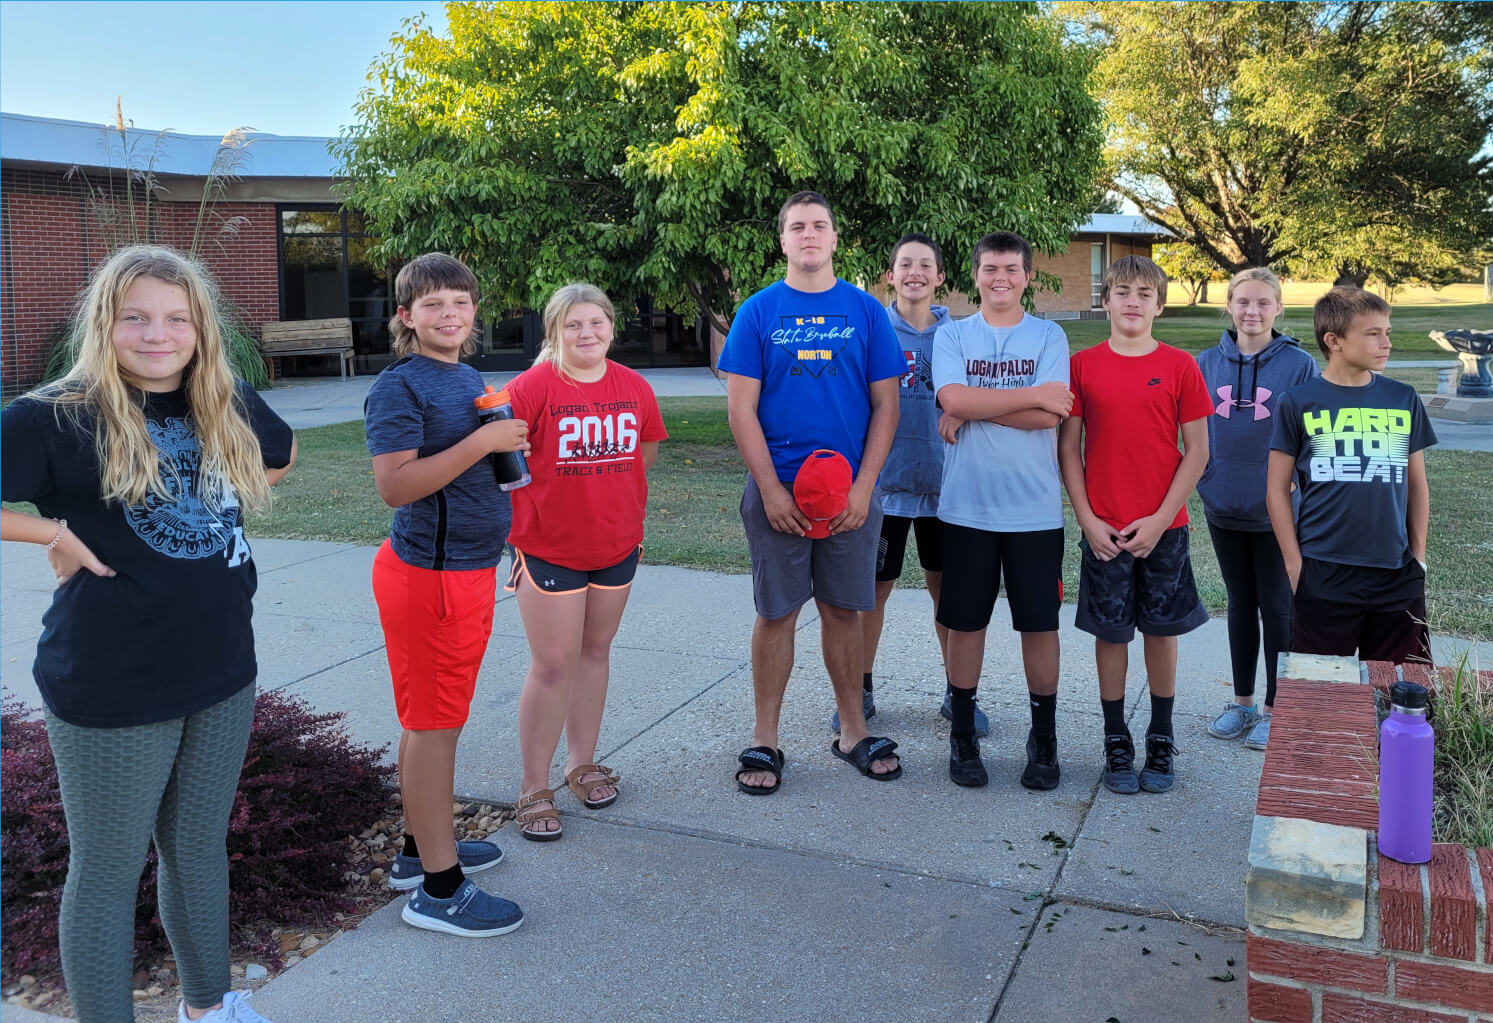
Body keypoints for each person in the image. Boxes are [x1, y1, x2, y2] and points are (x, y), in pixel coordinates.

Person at [0, 245, 296, 1022]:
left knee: (197, 847)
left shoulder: (220, 397)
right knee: (108, 868)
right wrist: (53, 535)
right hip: (114, 678)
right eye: (135, 317)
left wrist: (223, 487)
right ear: (105, 323)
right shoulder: (55, 416)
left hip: (223, 664)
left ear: (200, 327)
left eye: (176, 317)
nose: (157, 334)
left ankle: (209, 1006)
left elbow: (281, 454)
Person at [719, 190, 907, 793]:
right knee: (776, 612)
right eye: (797, 226)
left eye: (819, 225)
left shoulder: (866, 311)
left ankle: (853, 731)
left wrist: (865, 487)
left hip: (850, 495)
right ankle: (765, 737)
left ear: (833, 239)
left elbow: (887, 406)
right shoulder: (758, 312)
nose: (808, 235)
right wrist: (771, 490)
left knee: (845, 610)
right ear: (782, 240)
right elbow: (741, 410)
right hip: (778, 492)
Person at [365, 252, 530, 938]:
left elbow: (479, 475)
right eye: (433, 304)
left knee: (432, 721)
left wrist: (508, 526)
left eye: (460, 302)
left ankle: (418, 849)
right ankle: (438, 889)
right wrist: (484, 441)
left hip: (465, 569)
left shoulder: (463, 377)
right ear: (406, 316)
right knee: (434, 727)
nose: (449, 314)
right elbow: (396, 484)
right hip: (430, 578)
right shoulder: (400, 386)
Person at [503, 283, 667, 840]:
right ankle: (533, 786)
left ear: (612, 327)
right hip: (550, 547)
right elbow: (502, 458)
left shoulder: (634, 386)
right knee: (553, 666)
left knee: (595, 653)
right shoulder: (531, 387)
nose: (586, 333)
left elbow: (645, 450)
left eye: (596, 322)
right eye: (572, 324)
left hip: (617, 545)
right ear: (554, 331)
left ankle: (581, 763)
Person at [1058, 255, 1213, 796]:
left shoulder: (1180, 366)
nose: (1132, 301)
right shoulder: (1082, 366)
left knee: (1161, 631)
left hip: (1163, 527)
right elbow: (1069, 448)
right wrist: (1087, 519)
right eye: (1122, 291)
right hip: (1104, 528)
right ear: (1105, 301)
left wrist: (1161, 518)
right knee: (1111, 632)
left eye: (1145, 294)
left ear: (1159, 306)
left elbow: (1197, 451)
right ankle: (1116, 739)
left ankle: (1161, 736)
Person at [932, 231, 1073, 789]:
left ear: (1027, 276)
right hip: (966, 508)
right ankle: (962, 735)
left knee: (1039, 626)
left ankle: (1045, 738)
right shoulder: (952, 334)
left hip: (1034, 511)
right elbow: (952, 398)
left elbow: (1051, 414)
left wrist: (974, 408)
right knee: (966, 625)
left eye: (1012, 269)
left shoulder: (1048, 334)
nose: (1001, 278)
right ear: (975, 275)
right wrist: (1024, 395)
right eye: (991, 268)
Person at [1266, 287, 1435, 671]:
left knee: (1400, 690)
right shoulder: (1298, 402)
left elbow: (1416, 484)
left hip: (1396, 573)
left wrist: (1418, 560)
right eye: (1373, 333)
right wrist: (1295, 566)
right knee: (1320, 690)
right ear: (1334, 340)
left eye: (1387, 332)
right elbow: (1276, 490)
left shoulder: (1403, 398)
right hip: (1323, 569)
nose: (1386, 343)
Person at [843, 233, 971, 734]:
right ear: (890, 275)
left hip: (945, 487)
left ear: (940, 277)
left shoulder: (959, 337)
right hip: (884, 487)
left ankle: (958, 691)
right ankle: (860, 689)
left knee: (949, 593)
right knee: (872, 593)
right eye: (905, 264)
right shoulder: (871, 330)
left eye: (925, 265)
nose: (915, 272)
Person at [1197, 268, 1319, 751]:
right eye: (1243, 302)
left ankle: (1275, 708)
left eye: (1263, 303)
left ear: (1278, 308)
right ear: (1229, 305)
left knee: (1278, 606)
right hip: (1222, 503)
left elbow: (1312, 432)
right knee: (1239, 604)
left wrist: (1293, 482)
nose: (1252, 311)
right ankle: (1242, 703)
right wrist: (1207, 477)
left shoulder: (1299, 365)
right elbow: (1192, 430)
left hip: (1275, 510)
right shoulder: (1206, 363)